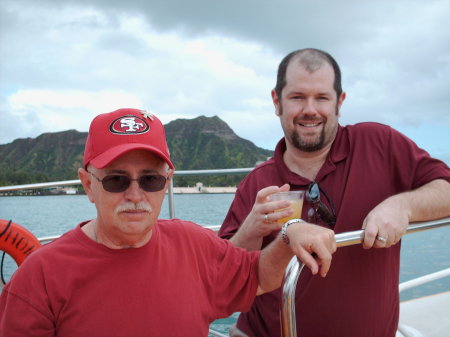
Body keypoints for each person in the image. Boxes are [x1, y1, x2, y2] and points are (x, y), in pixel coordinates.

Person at [0, 108, 336, 336]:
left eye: (150, 180)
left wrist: (289, 235)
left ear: (168, 182)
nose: (135, 194)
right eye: (116, 180)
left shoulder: (194, 244)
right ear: (88, 184)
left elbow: (259, 276)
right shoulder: (41, 276)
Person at [219, 48, 450, 337]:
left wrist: (403, 205)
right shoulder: (257, 183)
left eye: (322, 97)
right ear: (277, 102)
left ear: (340, 102)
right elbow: (221, 281)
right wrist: (253, 230)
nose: (310, 110)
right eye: (297, 97)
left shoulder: (380, 143)